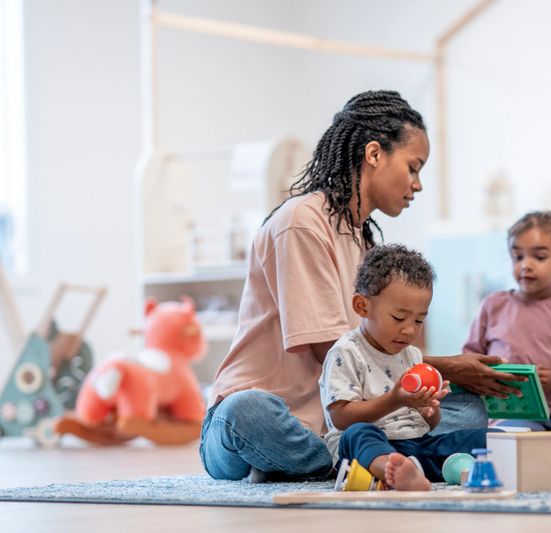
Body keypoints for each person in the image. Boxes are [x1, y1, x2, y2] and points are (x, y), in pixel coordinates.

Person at [199, 90, 523, 483]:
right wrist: (444, 365)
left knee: (467, 406)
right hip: (274, 417)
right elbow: (332, 350)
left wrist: (434, 384)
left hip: (344, 419)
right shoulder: (301, 222)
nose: (417, 184)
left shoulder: (364, 240)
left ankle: (353, 456)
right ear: (374, 154)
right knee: (246, 413)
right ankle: (358, 455)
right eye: (413, 167)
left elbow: (379, 350)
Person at [322, 244, 551, 490]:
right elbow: (341, 418)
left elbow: (428, 426)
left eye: (419, 320)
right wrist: (395, 399)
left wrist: (430, 410)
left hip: (417, 446)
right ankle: (392, 472)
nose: (410, 330)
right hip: (366, 452)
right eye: (399, 318)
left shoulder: (410, 354)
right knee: (359, 433)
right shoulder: (346, 352)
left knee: (484, 438)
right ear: (362, 307)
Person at [462, 211, 551, 431]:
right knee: (526, 438)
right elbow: (469, 358)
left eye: (539, 257)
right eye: (518, 257)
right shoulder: (492, 305)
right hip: (508, 413)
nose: (526, 265)